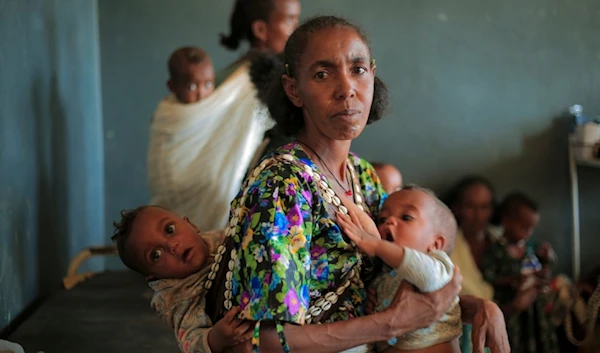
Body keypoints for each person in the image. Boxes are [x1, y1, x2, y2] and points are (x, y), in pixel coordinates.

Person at [203, 16, 509, 353]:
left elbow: (399, 287)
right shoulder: (282, 186)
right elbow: (263, 341)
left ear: (372, 76)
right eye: (322, 74)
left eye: (358, 69)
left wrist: (480, 308)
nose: (346, 87)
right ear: (294, 90)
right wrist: (392, 324)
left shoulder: (362, 176)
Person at [147, 0, 301, 232]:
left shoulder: (239, 74)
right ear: (261, 30)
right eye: (289, 20)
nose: (296, 28)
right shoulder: (259, 81)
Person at [111, 206, 252, 353]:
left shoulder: (221, 238)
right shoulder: (178, 298)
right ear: (154, 276)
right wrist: (216, 338)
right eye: (156, 255)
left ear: (191, 225)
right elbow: (189, 342)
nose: (172, 246)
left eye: (169, 230)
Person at [338, 186, 462, 353]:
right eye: (382, 219)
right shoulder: (383, 275)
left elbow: (426, 275)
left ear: (436, 244)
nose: (389, 221)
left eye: (406, 217)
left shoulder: (439, 264)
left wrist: (377, 245)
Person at [445, 177, 543, 352]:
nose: (478, 215)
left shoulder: (505, 242)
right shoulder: (447, 249)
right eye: (470, 207)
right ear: (457, 208)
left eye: (484, 207)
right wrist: (514, 306)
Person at [482, 192, 558, 353]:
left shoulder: (530, 248)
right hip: (514, 314)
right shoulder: (495, 251)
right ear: (506, 220)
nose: (527, 233)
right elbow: (489, 277)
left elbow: (540, 270)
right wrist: (513, 279)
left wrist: (547, 261)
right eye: (523, 227)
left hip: (536, 312)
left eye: (531, 229)